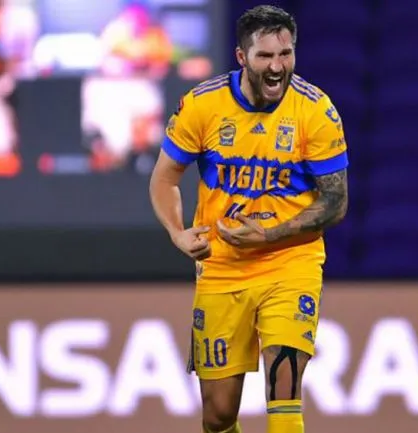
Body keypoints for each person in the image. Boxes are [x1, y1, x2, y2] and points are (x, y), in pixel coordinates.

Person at [149, 6, 349, 433]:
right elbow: (164, 179)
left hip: (290, 264)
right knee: (218, 416)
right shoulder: (203, 105)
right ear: (242, 57)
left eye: (287, 54)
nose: (278, 67)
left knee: (285, 386)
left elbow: (336, 201)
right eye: (265, 57)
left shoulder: (315, 111)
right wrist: (177, 234)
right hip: (222, 269)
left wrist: (270, 235)